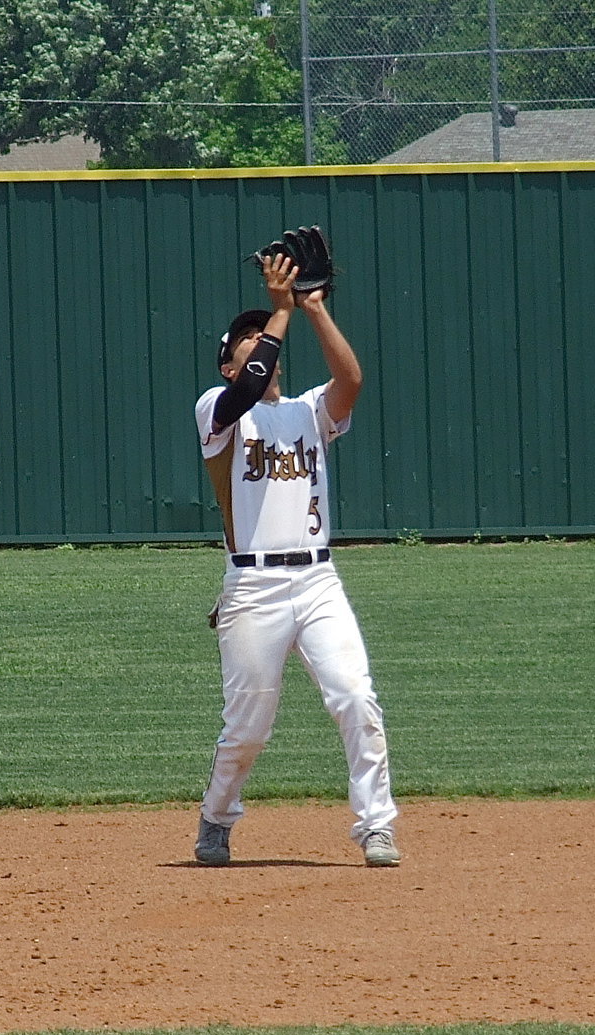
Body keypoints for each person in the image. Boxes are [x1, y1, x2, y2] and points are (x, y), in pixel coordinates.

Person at [193, 251, 401, 868]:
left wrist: (311, 307)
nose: (264, 349)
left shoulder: (309, 411)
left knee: (356, 697)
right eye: (250, 342)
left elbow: (352, 381)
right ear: (227, 361)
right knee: (249, 727)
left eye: (268, 338)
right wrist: (278, 312)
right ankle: (217, 815)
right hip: (254, 586)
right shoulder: (216, 410)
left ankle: (376, 825)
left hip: (317, 579)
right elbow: (251, 384)